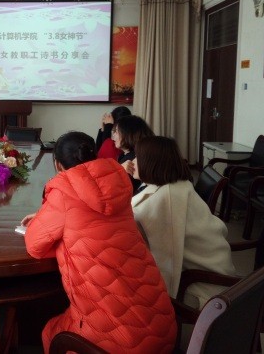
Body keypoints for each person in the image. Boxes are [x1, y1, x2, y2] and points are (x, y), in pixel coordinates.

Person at [21, 131, 176, 353]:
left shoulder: (63, 191)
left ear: (57, 165)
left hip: (121, 344)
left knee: (50, 333)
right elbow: (92, 222)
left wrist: (48, 220)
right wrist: (49, 217)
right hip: (163, 325)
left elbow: (35, 246)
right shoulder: (118, 182)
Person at [131, 136, 236, 309]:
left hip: (205, 289)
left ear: (152, 162)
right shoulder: (174, 186)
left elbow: (165, 259)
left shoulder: (168, 198)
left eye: (137, 157)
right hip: (209, 273)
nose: (133, 161)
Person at [111, 115, 154, 193]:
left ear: (128, 133)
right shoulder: (125, 155)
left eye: (116, 132)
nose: (113, 136)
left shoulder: (135, 158)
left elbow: (116, 190)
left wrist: (119, 171)